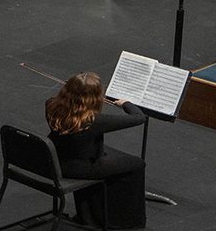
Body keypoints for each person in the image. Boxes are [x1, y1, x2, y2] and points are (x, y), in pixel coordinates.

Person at [45, 72, 146, 229]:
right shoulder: (93, 121)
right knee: (137, 164)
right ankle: (123, 221)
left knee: (107, 153)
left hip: (56, 160)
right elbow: (139, 118)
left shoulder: (51, 105)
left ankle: (91, 214)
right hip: (80, 167)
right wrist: (126, 103)